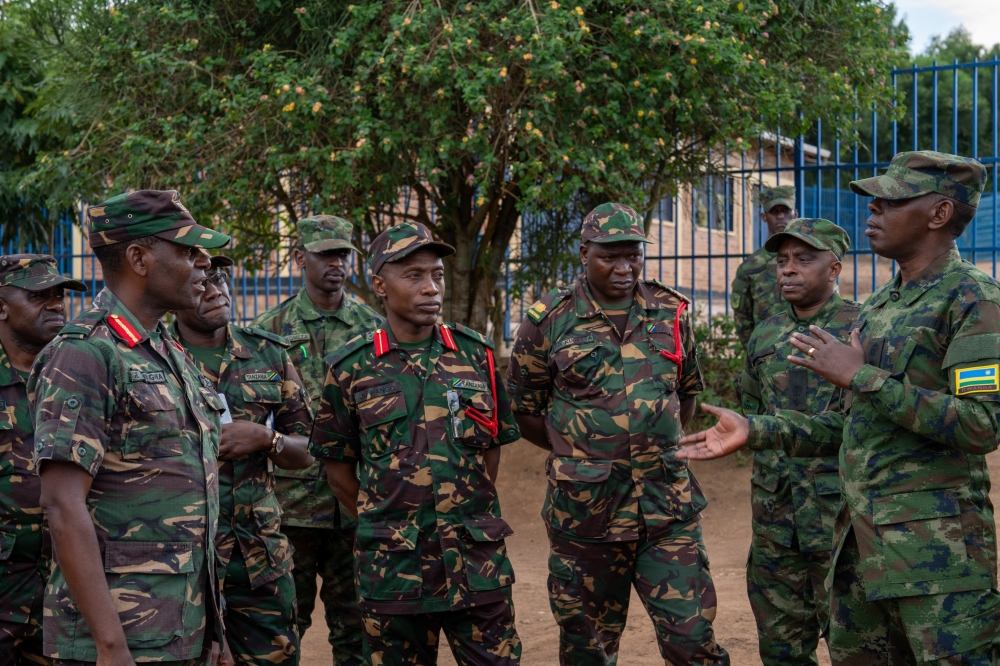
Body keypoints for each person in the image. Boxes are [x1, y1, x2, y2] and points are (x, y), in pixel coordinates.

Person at [679, 151, 1000, 664]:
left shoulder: (973, 300)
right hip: (857, 547)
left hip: (934, 557)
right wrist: (756, 429)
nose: (871, 210)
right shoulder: (880, 307)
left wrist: (861, 376)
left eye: (890, 200)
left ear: (939, 214)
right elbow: (849, 426)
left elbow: (983, 425)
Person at [506, 202, 729, 666]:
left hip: (667, 509)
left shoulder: (671, 312)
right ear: (584, 252)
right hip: (586, 519)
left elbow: (685, 394)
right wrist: (579, 450)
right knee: (589, 650)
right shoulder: (548, 321)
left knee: (693, 644)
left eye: (633, 255)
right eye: (611, 256)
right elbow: (525, 412)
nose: (625, 267)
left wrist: (651, 442)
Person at [28, 190, 232, 666]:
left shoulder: (168, 349)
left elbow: (195, 501)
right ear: (139, 258)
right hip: (121, 641)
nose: (203, 265)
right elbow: (61, 505)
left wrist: (212, 632)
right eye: (187, 251)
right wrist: (110, 646)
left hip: (181, 631)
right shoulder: (86, 353)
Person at [309, 221, 522, 666]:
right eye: (414, 276)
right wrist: (387, 521)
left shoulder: (475, 355)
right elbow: (339, 472)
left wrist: (461, 508)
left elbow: (492, 447)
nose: (431, 288)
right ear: (380, 285)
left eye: (437, 275)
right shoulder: (350, 368)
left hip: (475, 563)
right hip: (394, 573)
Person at [679, 219, 859, 664]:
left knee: (856, 647)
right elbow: (753, 407)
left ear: (834, 269)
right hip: (775, 522)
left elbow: (864, 428)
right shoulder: (764, 334)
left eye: (803, 259)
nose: (788, 271)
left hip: (843, 522)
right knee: (780, 648)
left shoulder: (862, 330)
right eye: (782, 261)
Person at [171, 255, 315, 666]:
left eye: (220, 279)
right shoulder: (153, 357)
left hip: (258, 562)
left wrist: (267, 439)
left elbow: (309, 450)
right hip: (182, 565)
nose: (216, 290)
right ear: (174, 293)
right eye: (202, 284)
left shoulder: (267, 355)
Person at [252, 215, 382, 665]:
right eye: (326, 253)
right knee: (284, 628)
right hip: (291, 509)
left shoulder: (374, 328)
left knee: (358, 630)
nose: (336, 262)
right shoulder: (268, 331)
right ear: (299, 257)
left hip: (354, 506)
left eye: (343, 253)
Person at [0, 255, 86, 666]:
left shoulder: (78, 375)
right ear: (1, 306)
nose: (56, 304)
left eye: (59, 295)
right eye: (39, 295)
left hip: (65, 592)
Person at [731, 185, 798, 350]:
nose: (780, 216)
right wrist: (753, 352)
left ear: (795, 214)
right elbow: (742, 316)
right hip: (767, 351)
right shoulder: (750, 267)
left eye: (785, 210)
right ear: (763, 216)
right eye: (774, 212)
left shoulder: (811, 261)